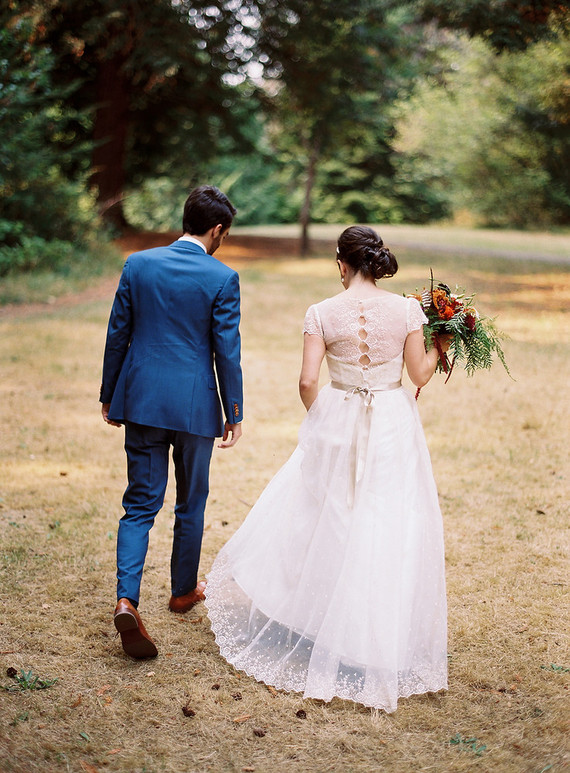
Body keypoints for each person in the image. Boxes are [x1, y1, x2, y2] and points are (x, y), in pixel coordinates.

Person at [204, 225, 450, 712]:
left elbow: (306, 381)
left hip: (339, 416)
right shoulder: (406, 310)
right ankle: (372, 637)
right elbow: (419, 373)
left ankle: (324, 623)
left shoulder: (321, 312)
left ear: (342, 263)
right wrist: (443, 342)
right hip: (392, 420)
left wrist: (321, 418)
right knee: (385, 519)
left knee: (332, 514)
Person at [100, 185, 243, 659]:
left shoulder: (138, 265)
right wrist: (234, 412)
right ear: (217, 229)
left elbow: (118, 333)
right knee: (191, 501)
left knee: (140, 504)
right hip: (195, 407)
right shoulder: (222, 277)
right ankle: (182, 592)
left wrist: (109, 395)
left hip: (142, 400)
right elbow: (227, 351)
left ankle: (126, 599)